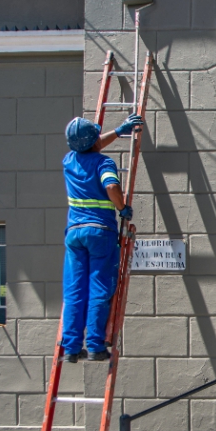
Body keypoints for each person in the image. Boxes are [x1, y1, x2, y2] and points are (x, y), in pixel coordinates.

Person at [60, 114, 143, 363]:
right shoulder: (104, 164)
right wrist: (122, 208)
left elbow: (90, 146)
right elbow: (111, 187)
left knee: (74, 291)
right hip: (100, 233)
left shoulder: (69, 160)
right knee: (99, 288)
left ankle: (71, 348)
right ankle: (95, 346)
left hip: (75, 234)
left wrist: (118, 131)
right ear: (94, 140)